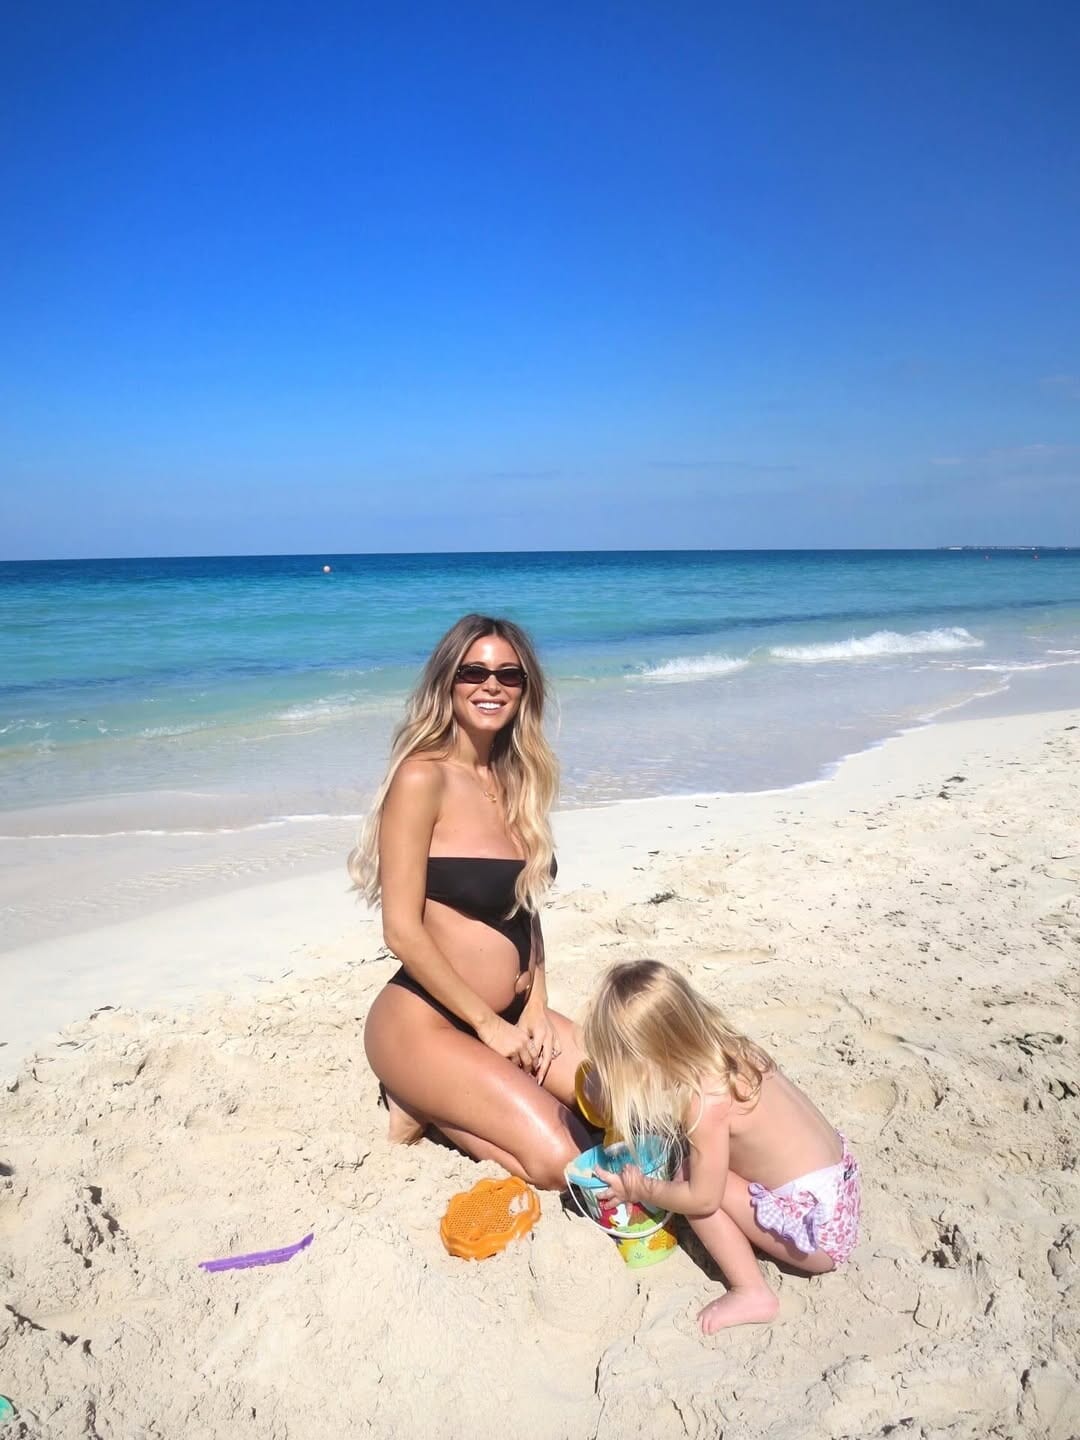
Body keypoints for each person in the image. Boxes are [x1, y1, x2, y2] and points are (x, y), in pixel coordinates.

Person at [350, 614, 591, 1189]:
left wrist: (535, 1004)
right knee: (565, 1159)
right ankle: (422, 1097)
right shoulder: (422, 778)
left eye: (509, 675)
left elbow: (526, 906)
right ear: (448, 682)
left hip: (511, 1016)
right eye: (474, 672)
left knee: (621, 1100)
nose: (491, 685)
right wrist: (487, 1027)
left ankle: (448, 1093)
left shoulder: (517, 779)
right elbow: (401, 931)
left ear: (525, 689)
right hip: (425, 1023)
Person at [583, 960, 861, 1332]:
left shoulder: (706, 1102)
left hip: (818, 1235)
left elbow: (703, 1200)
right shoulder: (731, 1050)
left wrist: (640, 1188)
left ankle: (752, 1291)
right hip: (839, 1194)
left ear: (647, 1060)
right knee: (696, 1161)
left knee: (688, 1179)